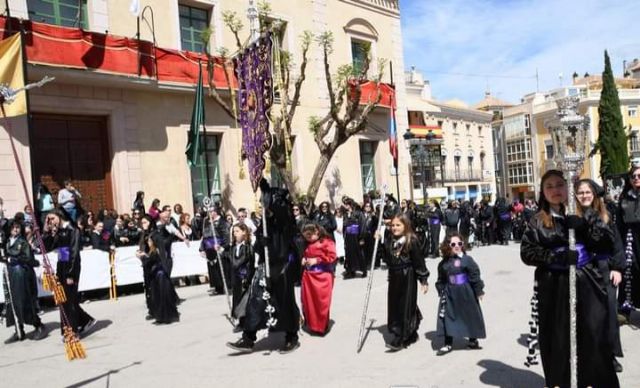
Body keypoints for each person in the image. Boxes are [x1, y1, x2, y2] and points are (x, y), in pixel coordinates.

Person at [520, 169, 619, 388]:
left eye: (559, 185)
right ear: (542, 192)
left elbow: (606, 244)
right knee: (559, 339)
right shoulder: (537, 221)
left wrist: (586, 225)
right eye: (549, 186)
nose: (555, 190)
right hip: (554, 287)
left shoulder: (585, 213)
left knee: (593, 335)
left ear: (568, 188)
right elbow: (527, 252)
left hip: (587, 283)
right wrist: (554, 256)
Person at [227, 178, 301, 354]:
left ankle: (291, 336)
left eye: (266, 203)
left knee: (284, 300)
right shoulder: (264, 223)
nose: (263, 206)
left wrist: (267, 192)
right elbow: (258, 246)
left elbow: (282, 215)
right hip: (265, 265)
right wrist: (262, 241)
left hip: (282, 265)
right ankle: (248, 338)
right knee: (256, 299)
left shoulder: (285, 219)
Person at [575, 179, 625, 373]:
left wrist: (617, 268)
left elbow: (617, 244)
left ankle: (610, 355)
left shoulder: (606, 216)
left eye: (588, 192)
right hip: (584, 271)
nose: (585, 195)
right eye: (580, 192)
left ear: (594, 194)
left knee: (609, 314)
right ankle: (589, 356)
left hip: (605, 269)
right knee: (588, 315)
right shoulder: (573, 217)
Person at [377, 214, 429, 351]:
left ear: (405, 225)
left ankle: (401, 338)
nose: (394, 228)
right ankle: (407, 332)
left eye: (398, 225)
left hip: (408, 275)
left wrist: (423, 279)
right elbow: (386, 257)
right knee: (394, 304)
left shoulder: (411, 240)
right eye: (392, 225)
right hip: (394, 275)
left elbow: (419, 261)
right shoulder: (390, 239)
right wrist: (379, 242)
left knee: (405, 305)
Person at [42, 210, 96, 337]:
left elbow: (74, 252)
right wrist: (46, 231)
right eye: (49, 219)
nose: (51, 221)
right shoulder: (58, 231)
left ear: (59, 216)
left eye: (52, 218)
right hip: (61, 264)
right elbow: (47, 246)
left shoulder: (73, 230)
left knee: (69, 300)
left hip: (71, 266)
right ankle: (84, 321)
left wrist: (70, 274)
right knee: (63, 299)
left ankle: (72, 331)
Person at [435, 233, 486, 355]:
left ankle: (473, 340)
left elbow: (475, 275)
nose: (457, 246)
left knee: (469, 315)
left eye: (459, 243)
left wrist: (478, 290)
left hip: (465, 291)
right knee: (448, 316)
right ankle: (448, 343)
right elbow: (441, 278)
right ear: (448, 246)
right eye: (453, 244)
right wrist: (441, 289)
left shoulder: (467, 260)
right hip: (450, 292)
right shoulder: (444, 263)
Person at [2, 221, 46, 342]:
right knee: (13, 301)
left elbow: (28, 258)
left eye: (18, 227)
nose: (16, 230)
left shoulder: (23, 242)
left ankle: (38, 325)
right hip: (11, 274)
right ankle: (19, 329)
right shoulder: (6, 242)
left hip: (22, 274)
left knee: (25, 300)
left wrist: (14, 259)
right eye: (13, 228)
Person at [300, 223, 337, 335]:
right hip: (309, 276)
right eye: (305, 236)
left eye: (309, 236)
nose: (308, 238)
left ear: (317, 232)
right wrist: (304, 259)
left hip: (323, 276)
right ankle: (312, 324)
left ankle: (322, 326)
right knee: (309, 302)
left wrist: (318, 260)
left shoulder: (326, 242)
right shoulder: (307, 243)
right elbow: (306, 254)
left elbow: (332, 256)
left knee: (321, 303)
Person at [617, 165, 640, 322]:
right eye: (633, 176)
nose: (636, 178)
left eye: (639, 175)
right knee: (629, 274)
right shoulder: (624, 199)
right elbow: (619, 225)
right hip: (631, 242)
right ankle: (624, 309)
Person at [142, 233, 179, 324]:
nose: (148, 242)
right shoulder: (154, 251)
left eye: (150, 241)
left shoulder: (157, 251)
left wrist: (142, 257)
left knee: (162, 297)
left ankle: (165, 317)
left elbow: (150, 262)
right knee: (158, 297)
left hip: (160, 277)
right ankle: (161, 316)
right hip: (157, 277)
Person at [223, 223, 254, 331]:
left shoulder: (247, 247)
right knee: (236, 298)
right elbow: (230, 260)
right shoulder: (233, 247)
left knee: (244, 300)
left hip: (244, 277)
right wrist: (222, 252)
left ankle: (245, 321)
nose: (234, 234)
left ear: (244, 232)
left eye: (237, 231)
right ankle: (240, 321)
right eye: (233, 232)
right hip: (236, 278)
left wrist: (225, 253)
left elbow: (237, 262)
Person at [200, 206, 230, 295]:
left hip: (219, 248)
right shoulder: (207, 222)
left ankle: (226, 287)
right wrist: (202, 248)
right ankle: (218, 287)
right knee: (213, 269)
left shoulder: (222, 222)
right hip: (210, 249)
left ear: (215, 212)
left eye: (211, 211)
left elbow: (226, 235)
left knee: (222, 268)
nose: (209, 213)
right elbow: (204, 235)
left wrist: (222, 246)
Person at [342, 198, 366, 278]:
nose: (346, 206)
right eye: (345, 204)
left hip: (356, 236)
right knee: (349, 254)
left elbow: (362, 225)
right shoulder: (345, 214)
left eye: (347, 204)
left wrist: (362, 237)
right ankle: (351, 271)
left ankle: (363, 270)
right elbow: (344, 226)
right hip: (348, 237)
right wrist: (344, 236)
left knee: (359, 253)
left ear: (351, 204)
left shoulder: (358, 213)